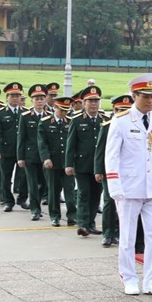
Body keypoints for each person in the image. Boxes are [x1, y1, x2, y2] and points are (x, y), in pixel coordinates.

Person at [105, 74, 152, 295]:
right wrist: (114, 185)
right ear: (134, 95)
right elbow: (111, 155)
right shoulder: (121, 120)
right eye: (146, 96)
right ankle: (129, 278)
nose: (151, 101)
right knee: (127, 236)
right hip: (129, 187)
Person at [66, 85, 106, 237]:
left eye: (96, 101)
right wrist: (69, 164)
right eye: (90, 101)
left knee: (96, 195)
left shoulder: (104, 120)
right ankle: (82, 224)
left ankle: (90, 223)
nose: (94, 104)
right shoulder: (76, 121)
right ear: (83, 103)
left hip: (100, 166)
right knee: (84, 193)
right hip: (83, 164)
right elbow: (71, 144)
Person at [95, 95, 134, 246]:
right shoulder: (107, 125)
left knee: (125, 204)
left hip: (128, 171)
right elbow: (100, 150)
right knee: (109, 202)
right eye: (119, 110)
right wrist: (98, 170)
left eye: (126, 110)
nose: (122, 112)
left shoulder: (134, 125)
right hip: (110, 171)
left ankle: (118, 232)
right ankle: (108, 233)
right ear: (114, 109)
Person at [38, 96, 75, 227]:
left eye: (66, 110)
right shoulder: (45, 122)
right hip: (52, 162)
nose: (64, 113)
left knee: (70, 191)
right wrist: (46, 158)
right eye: (61, 110)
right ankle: (55, 216)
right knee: (53, 191)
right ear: (55, 107)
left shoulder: (71, 122)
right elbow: (42, 143)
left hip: (67, 163)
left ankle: (72, 216)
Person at [0, 82, 25, 212]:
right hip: (7, 150)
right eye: (13, 96)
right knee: (5, 177)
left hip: (22, 151)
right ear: (7, 97)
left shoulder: (26, 113)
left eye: (18, 95)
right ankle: (8, 201)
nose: (15, 98)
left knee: (23, 177)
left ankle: (22, 198)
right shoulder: (0, 113)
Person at [17, 84, 48, 221]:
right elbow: (21, 138)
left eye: (42, 98)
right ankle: (35, 209)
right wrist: (20, 157)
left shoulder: (50, 116)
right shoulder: (25, 116)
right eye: (36, 99)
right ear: (32, 101)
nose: (39, 101)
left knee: (44, 183)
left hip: (45, 157)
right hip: (30, 155)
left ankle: (38, 204)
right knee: (33, 184)